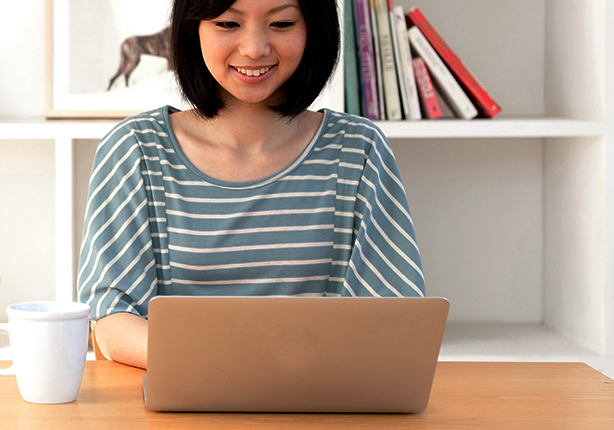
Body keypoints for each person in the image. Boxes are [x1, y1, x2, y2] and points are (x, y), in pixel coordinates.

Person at [76, 0, 425, 369]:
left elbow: (394, 315)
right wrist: (236, 364)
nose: (255, 48)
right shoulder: (135, 149)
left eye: (282, 23)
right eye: (228, 24)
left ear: (313, 29)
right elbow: (111, 317)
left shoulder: (359, 151)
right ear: (192, 29)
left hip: (321, 407)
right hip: (182, 408)